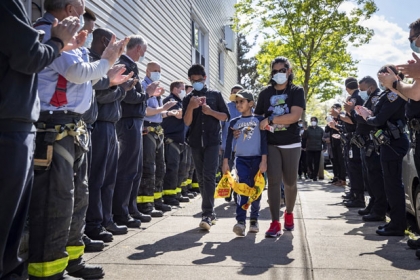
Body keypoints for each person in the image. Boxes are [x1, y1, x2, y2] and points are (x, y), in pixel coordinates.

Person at [29, 0, 127, 278]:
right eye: (81, 9)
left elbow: (85, 79)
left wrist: (107, 75)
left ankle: (71, 261)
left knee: (76, 198)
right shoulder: (49, 32)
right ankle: (48, 271)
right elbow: (77, 73)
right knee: (56, 200)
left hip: (71, 127)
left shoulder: (66, 37)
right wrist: (107, 57)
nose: (83, 16)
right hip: (54, 126)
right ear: (72, 8)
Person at [0, 1, 78, 278]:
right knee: (12, 219)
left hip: (18, 120)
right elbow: (29, 57)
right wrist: (58, 42)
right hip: (12, 122)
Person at [85, 28, 136, 242]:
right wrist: (121, 90)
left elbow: (108, 92)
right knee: (96, 179)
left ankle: (106, 219)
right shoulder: (93, 63)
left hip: (110, 126)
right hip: (98, 125)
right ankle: (93, 224)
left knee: (109, 179)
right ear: (106, 41)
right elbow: (99, 95)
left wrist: (119, 88)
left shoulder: (105, 64)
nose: (118, 51)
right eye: (117, 46)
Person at [255, 56, 305, 237]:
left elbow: (294, 117)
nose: (278, 74)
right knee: (274, 183)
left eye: (282, 71)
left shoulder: (296, 91)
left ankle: (289, 213)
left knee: (290, 182)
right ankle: (275, 222)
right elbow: (257, 118)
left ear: (289, 71)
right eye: (275, 71)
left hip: (291, 142)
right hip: (271, 143)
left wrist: (271, 119)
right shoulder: (265, 93)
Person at [113, 35, 159, 228]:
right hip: (128, 121)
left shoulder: (131, 65)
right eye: (145, 49)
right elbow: (128, 96)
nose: (145, 53)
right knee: (127, 169)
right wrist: (146, 94)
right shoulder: (125, 65)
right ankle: (121, 213)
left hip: (135, 122)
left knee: (135, 169)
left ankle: (131, 209)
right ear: (139, 48)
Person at [357, 65, 408, 237]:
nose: (381, 78)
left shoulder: (394, 95)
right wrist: (367, 113)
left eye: (385, 75)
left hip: (393, 143)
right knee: (390, 184)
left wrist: (367, 116)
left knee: (393, 185)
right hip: (386, 143)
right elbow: (377, 116)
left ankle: (397, 225)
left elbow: (379, 120)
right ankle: (394, 223)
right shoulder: (386, 95)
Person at [183, 64, 230, 230]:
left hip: (212, 141)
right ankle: (209, 212)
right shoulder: (188, 98)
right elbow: (186, 122)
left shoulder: (215, 95)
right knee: (202, 178)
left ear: (205, 78)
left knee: (209, 176)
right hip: (195, 142)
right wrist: (191, 107)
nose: (197, 82)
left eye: (200, 80)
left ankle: (207, 213)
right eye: (193, 80)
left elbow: (225, 117)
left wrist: (210, 112)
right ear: (189, 80)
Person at [222, 90, 268, 236]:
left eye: (241, 101)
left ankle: (254, 220)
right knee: (242, 188)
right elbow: (228, 143)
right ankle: (240, 221)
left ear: (251, 103)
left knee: (256, 190)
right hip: (241, 159)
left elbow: (265, 142)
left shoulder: (260, 120)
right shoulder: (234, 123)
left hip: (257, 159)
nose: (238, 104)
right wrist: (225, 162)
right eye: (236, 102)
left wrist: (264, 161)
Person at [138, 61, 176, 216]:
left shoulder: (157, 89)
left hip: (158, 130)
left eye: (159, 70)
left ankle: (156, 200)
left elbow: (158, 113)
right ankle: (145, 204)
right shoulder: (144, 87)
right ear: (147, 71)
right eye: (155, 70)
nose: (158, 73)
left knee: (160, 167)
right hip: (148, 130)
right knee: (148, 167)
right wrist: (163, 109)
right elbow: (146, 111)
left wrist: (169, 113)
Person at [352, 76, 387, 222]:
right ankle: (372, 204)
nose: (361, 92)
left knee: (375, 176)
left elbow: (370, 118)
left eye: (362, 89)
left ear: (370, 86)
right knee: (369, 177)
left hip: (372, 141)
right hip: (365, 142)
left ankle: (378, 210)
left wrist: (357, 114)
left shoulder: (376, 98)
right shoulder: (370, 97)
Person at [330, 77, 365, 208]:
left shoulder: (354, 99)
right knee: (351, 167)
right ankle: (354, 193)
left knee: (355, 168)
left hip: (354, 137)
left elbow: (353, 120)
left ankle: (358, 197)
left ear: (347, 88)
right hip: (350, 137)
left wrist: (338, 115)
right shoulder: (357, 97)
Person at [162, 81, 188, 206]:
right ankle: (169, 197)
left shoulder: (180, 102)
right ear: (175, 89)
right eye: (182, 89)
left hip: (179, 140)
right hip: (171, 139)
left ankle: (176, 194)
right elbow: (179, 115)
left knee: (179, 169)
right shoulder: (171, 101)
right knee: (172, 168)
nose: (184, 91)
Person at [220, 84, 244, 201]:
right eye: (234, 92)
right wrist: (220, 145)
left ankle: (236, 192)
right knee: (227, 170)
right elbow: (221, 127)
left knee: (240, 171)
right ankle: (228, 191)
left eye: (238, 93)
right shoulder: (226, 108)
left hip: (242, 147)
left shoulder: (248, 108)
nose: (236, 95)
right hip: (227, 146)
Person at [326, 104, 346, 186]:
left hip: (340, 142)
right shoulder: (331, 118)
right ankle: (336, 177)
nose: (333, 110)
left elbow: (343, 128)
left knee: (341, 161)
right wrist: (329, 123)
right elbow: (327, 130)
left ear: (340, 109)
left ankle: (342, 179)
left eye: (335, 108)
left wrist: (335, 125)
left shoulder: (342, 117)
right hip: (333, 143)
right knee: (335, 161)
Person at [302, 117, 324, 181]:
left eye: (314, 120)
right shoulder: (308, 129)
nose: (313, 121)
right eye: (312, 120)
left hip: (318, 148)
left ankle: (315, 176)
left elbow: (323, 139)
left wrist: (324, 146)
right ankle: (311, 172)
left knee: (317, 162)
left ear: (317, 121)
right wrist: (305, 131)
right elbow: (304, 137)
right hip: (309, 148)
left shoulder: (320, 129)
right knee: (309, 162)